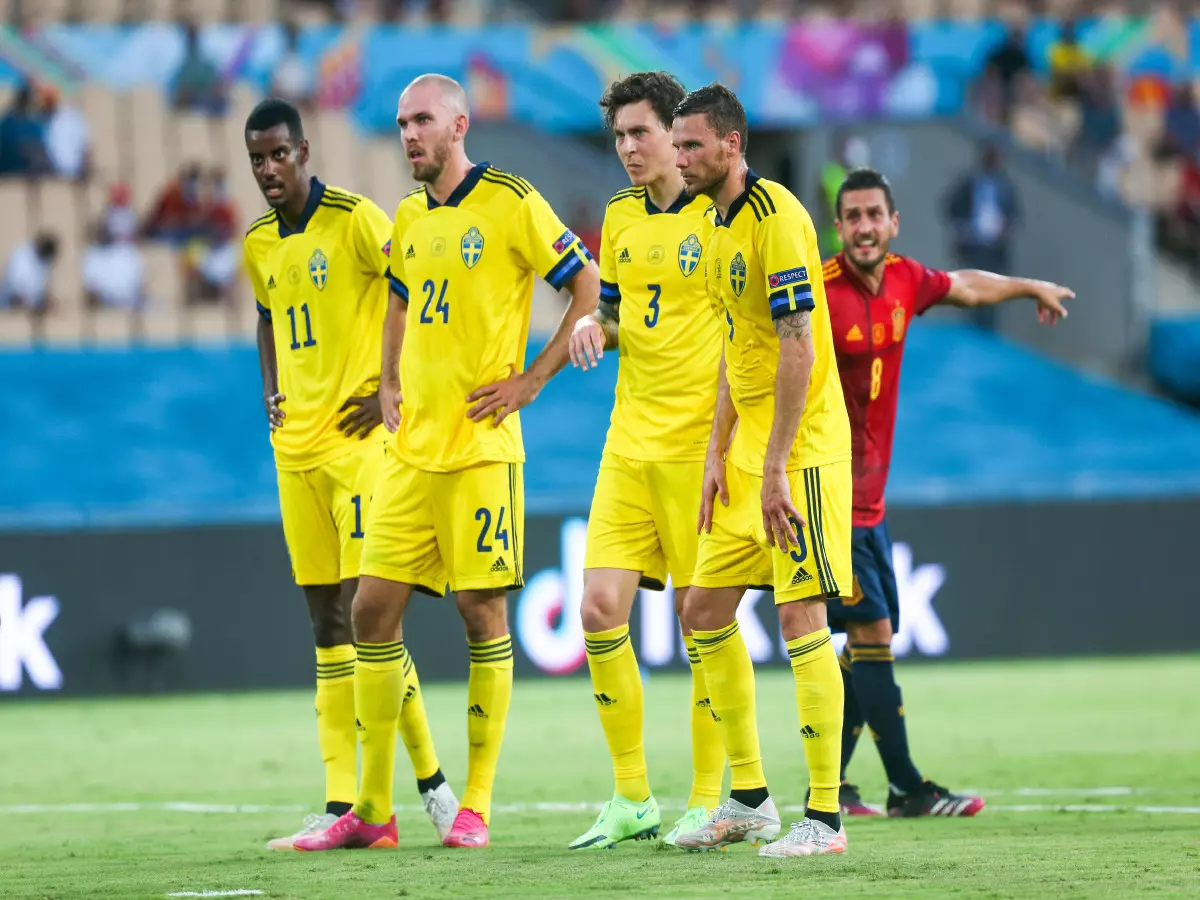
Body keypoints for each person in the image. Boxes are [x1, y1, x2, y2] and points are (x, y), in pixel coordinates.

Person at [295, 74, 599, 853]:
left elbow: (586, 282)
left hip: (479, 453)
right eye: (400, 124)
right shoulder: (406, 216)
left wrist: (531, 379)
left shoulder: (511, 201)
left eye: (422, 121)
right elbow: (399, 299)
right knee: (368, 612)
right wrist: (390, 380)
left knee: (480, 614)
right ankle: (373, 810)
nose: (409, 136)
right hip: (409, 453)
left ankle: (477, 805)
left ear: (459, 124)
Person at [240, 97, 457, 851]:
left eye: (278, 154)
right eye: (256, 159)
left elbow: (415, 290)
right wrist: (269, 385)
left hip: (362, 451)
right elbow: (266, 314)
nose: (268, 169)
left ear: (303, 151)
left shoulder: (359, 218)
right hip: (294, 454)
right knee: (326, 626)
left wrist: (388, 387)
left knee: (375, 621)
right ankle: (344, 804)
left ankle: (428, 781)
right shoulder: (259, 243)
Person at [823, 166, 1073, 818]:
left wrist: (1028, 287)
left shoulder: (907, 278)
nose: (864, 227)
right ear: (839, 226)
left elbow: (964, 285)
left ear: (893, 222)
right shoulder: (817, 291)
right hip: (827, 496)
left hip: (871, 504)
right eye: (852, 216)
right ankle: (906, 787)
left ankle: (834, 787)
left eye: (874, 214)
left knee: (862, 643)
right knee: (872, 631)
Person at [670, 83, 852, 859]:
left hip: (801, 448)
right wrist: (718, 451)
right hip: (748, 454)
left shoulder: (778, 222)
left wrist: (775, 466)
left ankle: (826, 819)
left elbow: (798, 349)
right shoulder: (711, 224)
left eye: (691, 146)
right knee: (702, 613)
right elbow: (733, 349)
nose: (680, 160)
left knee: (799, 617)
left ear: (732, 145)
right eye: (675, 146)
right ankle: (750, 798)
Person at [565, 71, 726, 851]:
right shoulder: (621, 218)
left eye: (640, 133)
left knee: (702, 625)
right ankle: (633, 795)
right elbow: (624, 310)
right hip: (628, 443)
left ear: (676, 132)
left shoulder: (718, 216)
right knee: (598, 610)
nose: (628, 149)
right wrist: (597, 326)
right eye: (619, 136)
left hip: (698, 447)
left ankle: (707, 799)